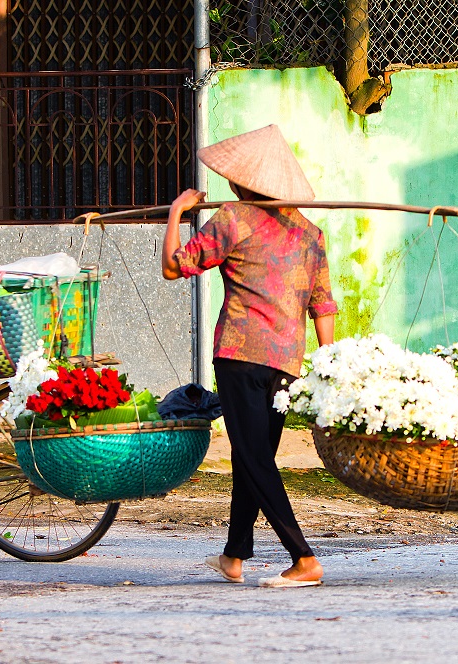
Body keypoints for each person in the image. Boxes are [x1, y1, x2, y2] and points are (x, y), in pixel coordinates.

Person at [161, 124, 337, 588]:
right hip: (287, 364)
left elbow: (173, 267)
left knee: (255, 459)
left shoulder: (233, 218)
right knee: (251, 457)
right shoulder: (310, 231)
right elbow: (323, 303)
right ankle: (234, 554)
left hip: (240, 355)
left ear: (242, 181)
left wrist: (179, 212)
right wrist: (330, 364)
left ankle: (303, 558)